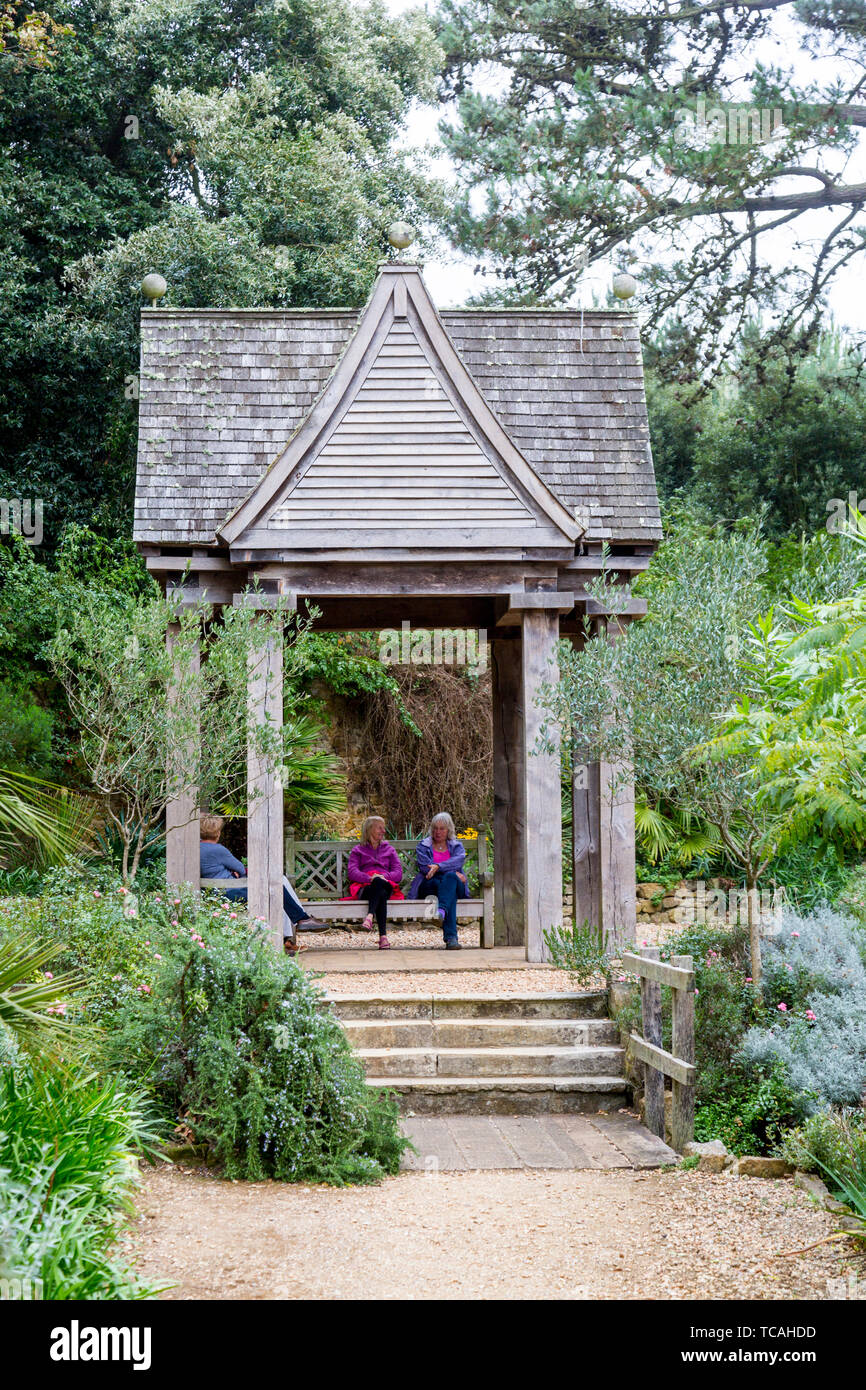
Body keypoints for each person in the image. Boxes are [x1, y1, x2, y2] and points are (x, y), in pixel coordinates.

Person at [199, 813, 326, 955]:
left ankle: (291, 935)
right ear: (217, 832)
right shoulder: (218, 850)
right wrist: (233, 871)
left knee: (277, 888)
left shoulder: (197, 849)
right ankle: (301, 920)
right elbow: (240, 869)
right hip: (229, 893)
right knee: (276, 888)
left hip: (216, 893)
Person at [408, 812, 467, 950]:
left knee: (449, 879)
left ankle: (441, 910)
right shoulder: (423, 845)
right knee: (449, 886)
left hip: (450, 883)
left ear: (449, 830)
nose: (438, 832)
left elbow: (458, 860)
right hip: (430, 884)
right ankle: (451, 938)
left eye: (442, 828)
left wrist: (438, 866)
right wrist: (449, 869)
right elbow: (424, 867)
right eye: (435, 828)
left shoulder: (456, 846)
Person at [346, 816, 404, 950]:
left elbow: (398, 873)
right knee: (381, 893)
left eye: (384, 828)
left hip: (385, 884)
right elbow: (352, 872)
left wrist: (382, 876)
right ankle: (383, 937)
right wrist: (370, 878)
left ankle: (370, 915)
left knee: (380, 885)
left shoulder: (389, 849)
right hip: (366, 888)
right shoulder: (358, 850)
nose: (383, 831)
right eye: (380, 827)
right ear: (369, 829)